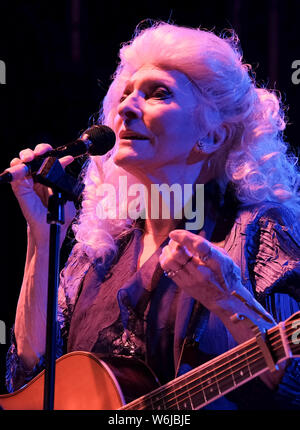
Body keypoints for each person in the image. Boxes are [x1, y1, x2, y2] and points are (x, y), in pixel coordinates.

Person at [4, 20, 300, 410]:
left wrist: (227, 298)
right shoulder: (101, 252)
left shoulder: (256, 232)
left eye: (158, 94)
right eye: (125, 94)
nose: (125, 107)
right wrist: (40, 241)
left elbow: (294, 385)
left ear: (212, 135)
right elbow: (28, 382)